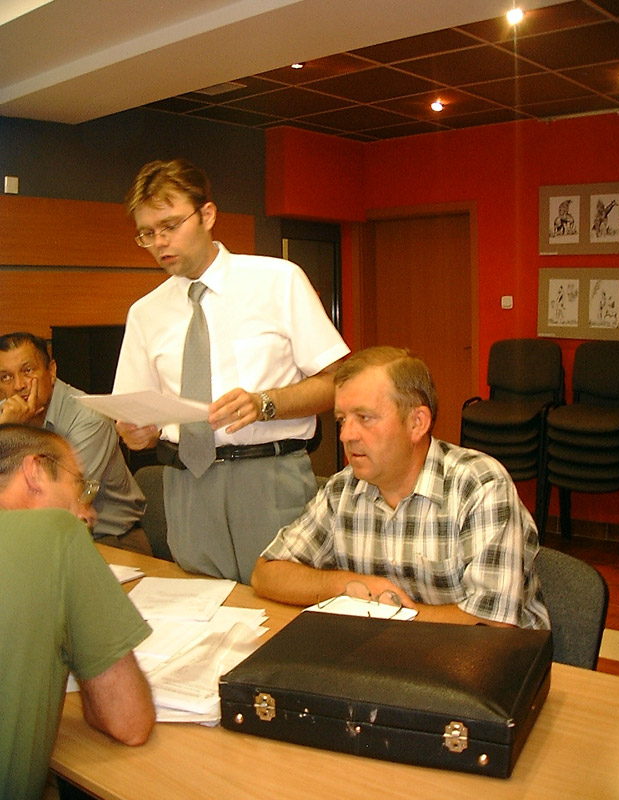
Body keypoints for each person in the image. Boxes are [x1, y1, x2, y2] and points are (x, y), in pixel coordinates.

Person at [114, 158, 349, 584]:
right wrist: (135, 432)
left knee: (285, 602)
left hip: (269, 475)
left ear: (207, 215)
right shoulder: (145, 313)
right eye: (147, 233)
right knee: (200, 604)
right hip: (186, 483)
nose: (159, 242)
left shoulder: (277, 280)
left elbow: (339, 382)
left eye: (170, 226)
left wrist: (266, 403)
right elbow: (135, 417)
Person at [252, 346, 550, 629]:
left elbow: (492, 624)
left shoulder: (480, 486)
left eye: (365, 418)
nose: (346, 435)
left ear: (417, 423)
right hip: (384, 654)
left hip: (481, 658)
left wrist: (390, 614)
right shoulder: (343, 489)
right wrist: (348, 585)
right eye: (342, 420)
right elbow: (266, 573)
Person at [0, 424, 155, 800]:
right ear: (35, 471)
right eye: (81, 487)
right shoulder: (56, 532)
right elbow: (128, 721)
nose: (89, 513)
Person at [0, 332, 147, 549]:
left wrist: (11, 435)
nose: (18, 385)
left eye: (28, 371)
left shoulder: (90, 419)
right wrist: (8, 430)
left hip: (111, 540)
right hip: (41, 536)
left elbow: (63, 502)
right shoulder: (7, 415)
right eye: (6, 377)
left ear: (51, 371)